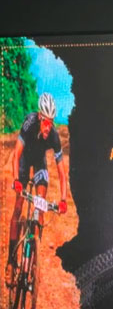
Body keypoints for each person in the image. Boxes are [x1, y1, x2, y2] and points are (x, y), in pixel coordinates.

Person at [6, 93, 67, 284]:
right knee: (18, 207)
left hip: (40, 163)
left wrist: (63, 200)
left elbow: (62, 173)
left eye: (52, 122)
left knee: (41, 200)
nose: (48, 126)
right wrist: (17, 180)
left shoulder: (54, 136)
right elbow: (16, 156)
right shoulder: (30, 123)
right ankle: (10, 262)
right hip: (24, 161)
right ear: (40, 117)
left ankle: (34, 252)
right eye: (46, 121)